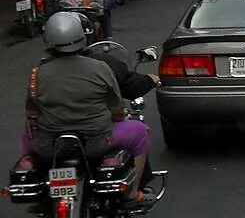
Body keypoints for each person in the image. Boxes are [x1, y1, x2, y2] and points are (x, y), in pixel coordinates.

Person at [20, 13, 151, 202]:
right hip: (96, 143)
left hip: (51, 146)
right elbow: (117, 110)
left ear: (48, 40)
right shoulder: (100, 68)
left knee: (27, 136)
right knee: (140, 132)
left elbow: (31, 112)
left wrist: (35, 120)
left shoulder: (38, 73)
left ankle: (42, 194)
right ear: (83, 37)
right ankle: (132, 193)